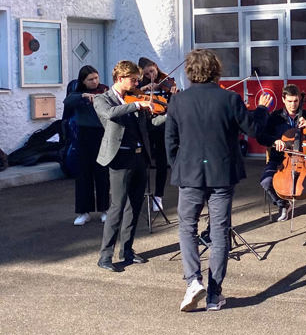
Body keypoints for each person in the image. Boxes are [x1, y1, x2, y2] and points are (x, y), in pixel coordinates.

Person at [165, 49, 271, 312]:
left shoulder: (178, 101)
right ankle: (214, 294)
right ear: (216, 70)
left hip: (189, 173)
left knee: (187, 228)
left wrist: (178, 166)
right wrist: (261, 109)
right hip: (222, 173)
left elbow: (170, 142)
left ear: (190, 71)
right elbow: (254, 130)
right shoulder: (230, 99)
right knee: (219, 232)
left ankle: (193, 281)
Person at [94, 61, 166, 272]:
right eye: (133, 79)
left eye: (137, 79)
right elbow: (109, 114)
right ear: (119, 79)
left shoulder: (134, 99)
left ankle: (127, 250)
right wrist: (137, 105)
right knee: (117, 206)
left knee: (135, 206)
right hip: (119, 159)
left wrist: (169, 117)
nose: (137, 83)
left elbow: (148, 126)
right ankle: (105, 256)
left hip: (139, 158)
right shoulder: (102, 98)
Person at [257, 84, 306, 222]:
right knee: (266, 182)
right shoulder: (274, 117)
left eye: (296, 101)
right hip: (280, 161)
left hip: (303, 160)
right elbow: (261, 136)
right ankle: (282, 204)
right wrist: (275, 140)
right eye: (289, 101)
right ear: (283, 99)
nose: (293, 105)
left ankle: (300, 192)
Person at [63, 65, 110, 226]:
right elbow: (68, 102)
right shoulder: (77, 95)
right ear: (83, 81)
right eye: (90, 79)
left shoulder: (104, 91)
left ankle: (105, 209)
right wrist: (83, 95)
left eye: (96, 78)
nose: (95, 82)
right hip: (84, 135)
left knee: (102, 173)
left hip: (101, 134)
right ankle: (84, 212)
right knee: (84, 174)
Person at [138, 57, 177, 213]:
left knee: (162, 161)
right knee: (144, 161)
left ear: (156, 66)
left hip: (163, 126)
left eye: (152, 71)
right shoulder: (140, 85)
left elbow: (172, 106)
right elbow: (131, 97)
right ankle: (141, 194)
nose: (151, 76)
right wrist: (144, 88)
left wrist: (173, 95)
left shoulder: (167, 81)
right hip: (147, 126)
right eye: (147, 74)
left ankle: (159, 196)